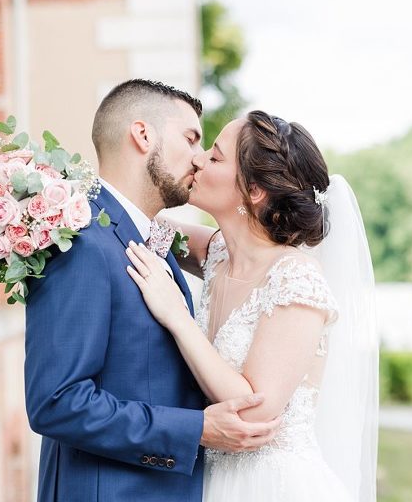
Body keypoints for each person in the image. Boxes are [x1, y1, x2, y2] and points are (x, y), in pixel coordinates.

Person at [24, 81, 281, 502]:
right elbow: (57, 400)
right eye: (190, 138)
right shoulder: (81, 241)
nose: (199, 158)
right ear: (143, 136)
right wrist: (195, 429)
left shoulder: (144, 238)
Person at [126, 110, 379, 501]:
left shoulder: (295, 277)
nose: (198, 158)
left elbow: (255, 411)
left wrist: (177, 317)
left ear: (255, 190)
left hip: (272, 486)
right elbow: (138, 223)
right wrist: (54, 196)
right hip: (209, 480)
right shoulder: (216, 254)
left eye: (215, 156)